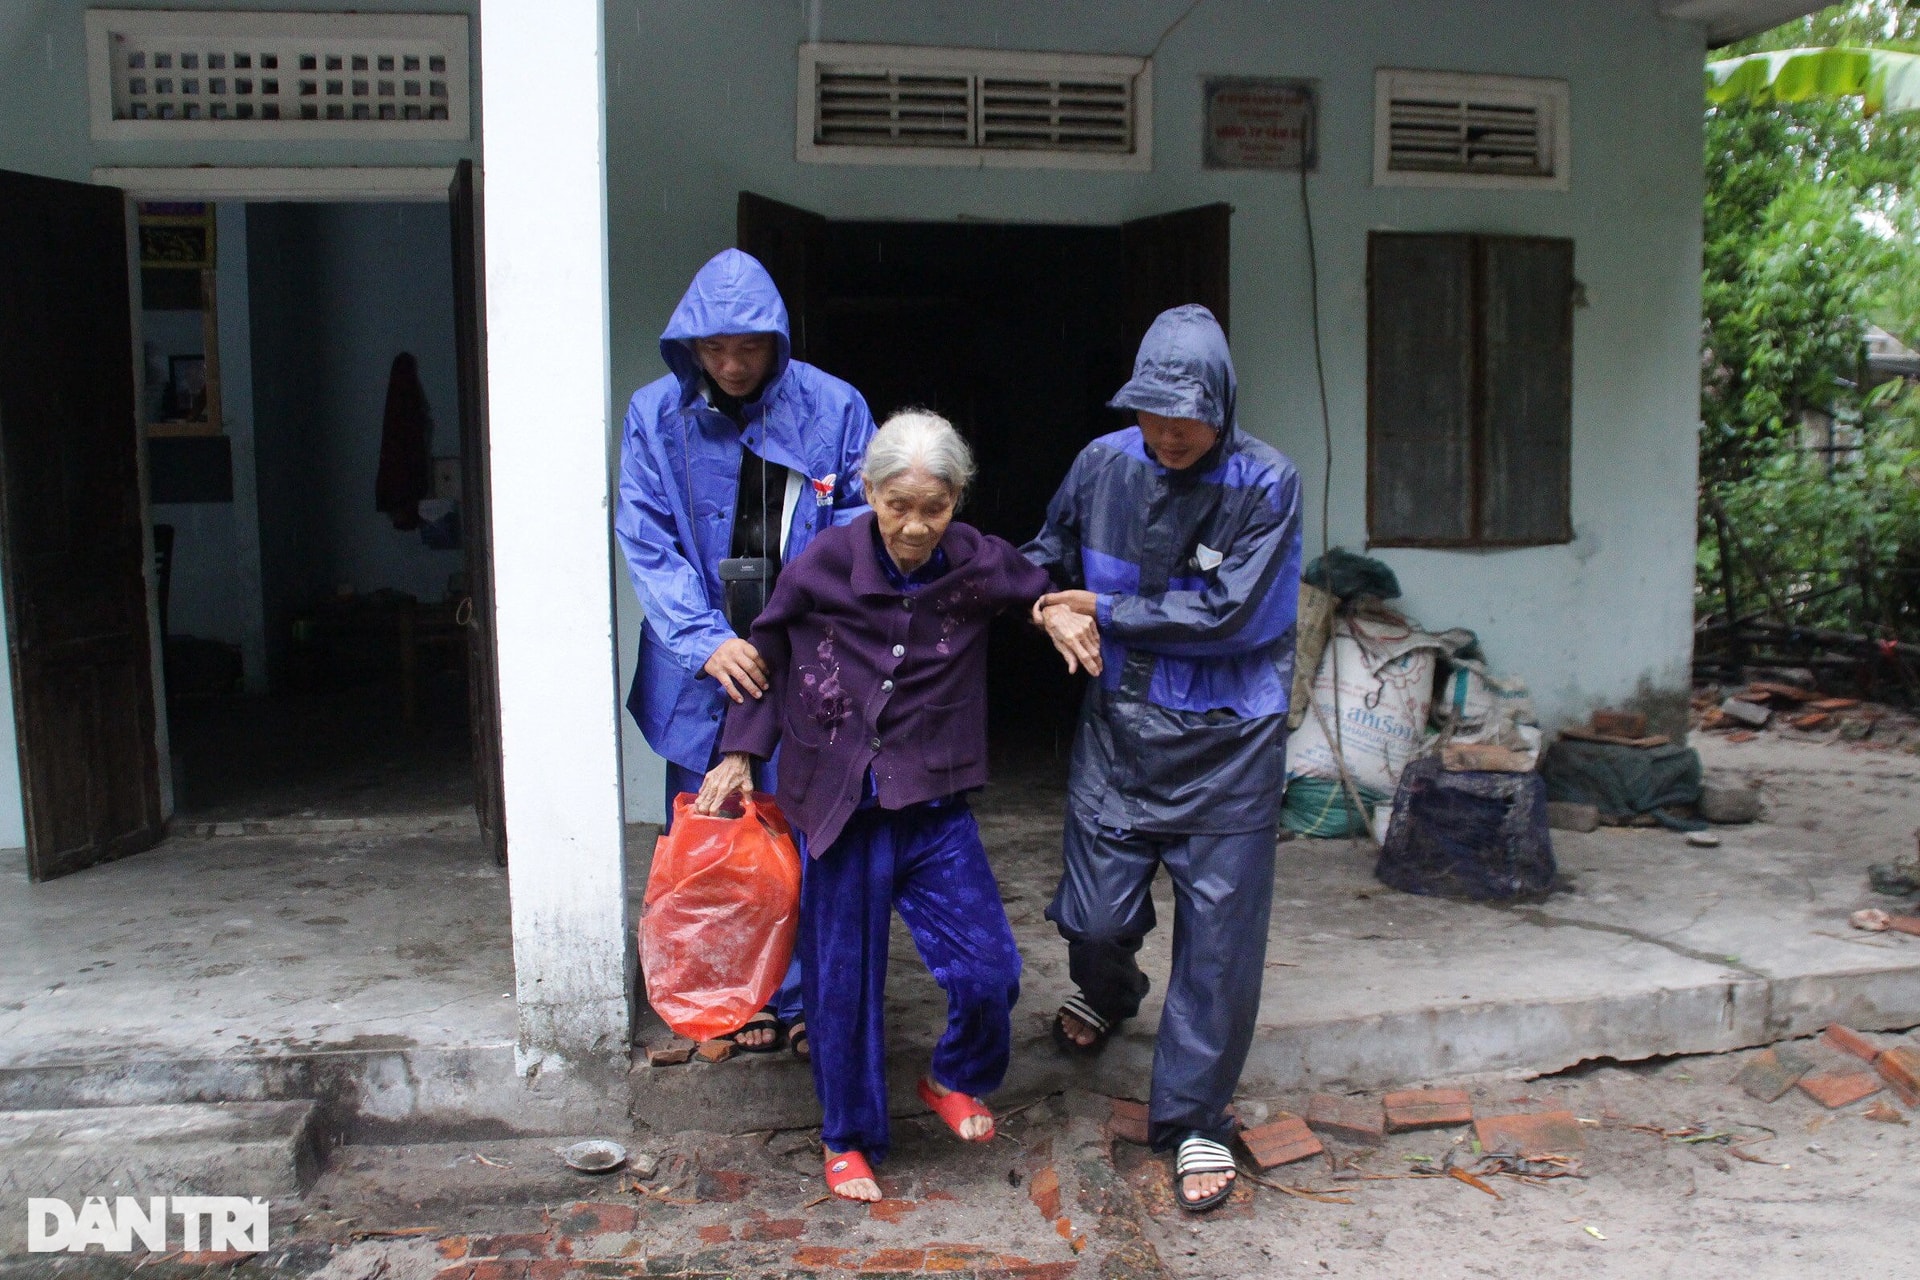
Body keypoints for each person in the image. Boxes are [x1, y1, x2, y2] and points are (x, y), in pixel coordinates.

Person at [695, 411, 1093, 1203]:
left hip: (932, 807)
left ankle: (954, 1077)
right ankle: (847, 1139)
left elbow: (1031, 589)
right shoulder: (823, 561)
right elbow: (767, 650)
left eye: (935, 507)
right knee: (842, 988)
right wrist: (741, 750)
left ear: (958, 501)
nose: (915, 527)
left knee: (989, 970)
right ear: (869, 492)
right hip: (837, 807)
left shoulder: (976, 560)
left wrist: (1051, 609)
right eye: (897, 505)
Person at [1025, 304, 1303, 1213]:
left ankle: (1193, 1121)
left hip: (1231, 742)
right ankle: (1113, 989)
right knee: (1093, 918)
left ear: (1223, 406)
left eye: (1188, 415)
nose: (1169, 432)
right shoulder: (1100, 464)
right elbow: (1044, 559)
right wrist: (1047, 605)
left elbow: (1231, 614)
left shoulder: (1268, 483)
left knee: (1219, 948)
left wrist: (1100, 611)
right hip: (1120, 735)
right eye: (1152, 411)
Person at [616, 248, 878, 1057]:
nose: (731, 366)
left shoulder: (834, 410)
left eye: (749, 348)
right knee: (714, 838)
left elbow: (857, 535)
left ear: (778, 342)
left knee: (804, 836)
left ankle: (803, 998)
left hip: (805, 665)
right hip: (701, 673)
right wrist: (704, 640)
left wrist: (793, 636)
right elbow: (647, 540)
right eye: (714, 349)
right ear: (688, 345)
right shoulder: (654, 416)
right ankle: (728, 995)